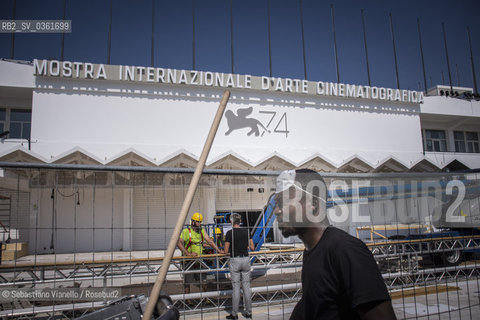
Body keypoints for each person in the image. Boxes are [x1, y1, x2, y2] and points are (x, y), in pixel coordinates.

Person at [273, 169, 397, 320]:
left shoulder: (345, 249)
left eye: (284, 202)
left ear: (313, 203)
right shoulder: (312, 251)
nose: (276, 211)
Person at [177, 212, 223, 294]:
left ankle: (205, 297)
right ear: (193, 222)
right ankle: (187, 299)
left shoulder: (201, 230)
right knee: (188, 281)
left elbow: (209, 241)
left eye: (200, 222)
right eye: (198, 222)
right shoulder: (186, 231)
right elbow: (178, 243)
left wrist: (219, 250)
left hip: (200, 260)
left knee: (203, 279)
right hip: (189, 261)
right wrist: (188, 254)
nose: (199, 224)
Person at [224, 213, 255, 320]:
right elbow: (252, 247)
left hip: (235, 260)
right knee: (246, 287)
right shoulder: (246, 231)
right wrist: (244, 246)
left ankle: (234, 313)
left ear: (231, 222)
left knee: (236, 288)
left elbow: (226, 250)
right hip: (246, 259)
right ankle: (249, 312)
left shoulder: (229, 233)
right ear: (240, 221)